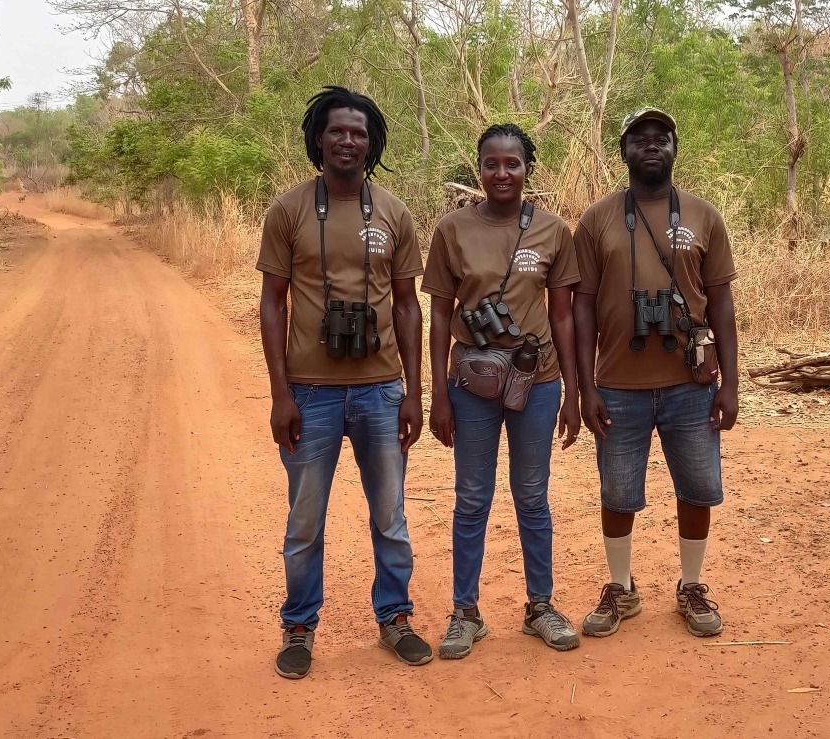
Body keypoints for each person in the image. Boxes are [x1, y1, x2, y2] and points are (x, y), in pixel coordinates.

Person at [257, 86, 432, 678]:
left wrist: (414, 393)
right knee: (305, 522)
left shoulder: (394, 212)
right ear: (318, 138)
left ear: (371, 143)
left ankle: (395, 618)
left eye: (359, 133)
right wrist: (280, 394)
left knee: (390, 516)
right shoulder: (288, 211)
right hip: (310, 391)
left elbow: (407, 305)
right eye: (337, 130)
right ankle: (299, 627)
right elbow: (272, 302)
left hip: (380, 390)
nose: (348, 141)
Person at [573, 108, 739, 639]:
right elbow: (582, 306)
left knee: (697, 487)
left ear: (674, 149)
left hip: (690, 385)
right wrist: (585, 387)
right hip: (617, 384)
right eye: (639, 139)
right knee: (618, 493)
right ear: (623, 151)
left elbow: (721, 303)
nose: (651, 146)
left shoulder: (703, 216)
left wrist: (731, 384)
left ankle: (691, 586)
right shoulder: (596, 219)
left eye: (661, 138)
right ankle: (621, 588)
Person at [422, 124, 582, 659]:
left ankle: (541, 607)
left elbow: (563, 316)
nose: (501, 173)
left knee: (532, 496)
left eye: (512, 163)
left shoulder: (554, 231)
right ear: (479, 168)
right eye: (491, 163)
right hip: (471, 384)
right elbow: (438, 313)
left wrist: (573, 392)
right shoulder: (452, 229)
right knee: (471, 497)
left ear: (527, 168)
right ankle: (465, 613)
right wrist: (438, 393)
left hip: (538, 381)